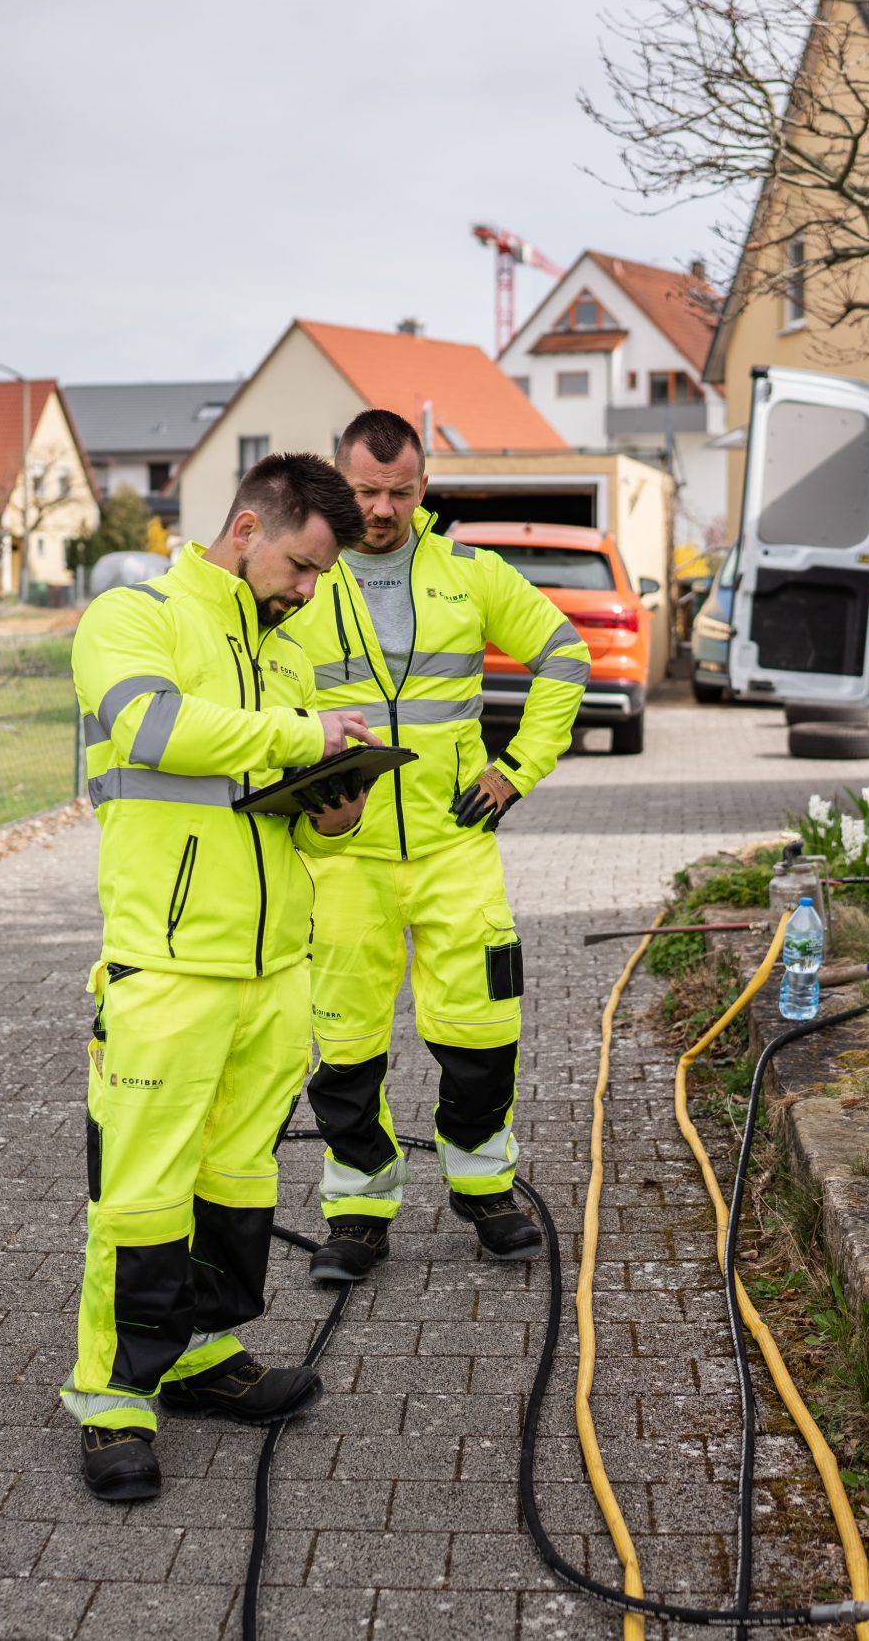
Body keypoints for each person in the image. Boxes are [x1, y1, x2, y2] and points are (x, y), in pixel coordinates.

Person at [64, 451, 373, 1503]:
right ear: (246, 529)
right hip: (166, 968)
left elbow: (274, 811)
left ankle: (194, 1359)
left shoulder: (280, 652)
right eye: (300, 565)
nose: (308, 589)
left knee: (233, 1186)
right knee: (140, 1197)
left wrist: (336, 809)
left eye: (320, 576)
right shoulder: (133, 619)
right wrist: (301, 735)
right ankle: (111, 1404)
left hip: (269, 973)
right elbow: (153, 728)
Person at [287, 408, 590, 1282]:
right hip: (340, 855)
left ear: (424, 489)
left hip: (456, 845)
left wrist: (517, 770)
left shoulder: (471, 574)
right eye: (363, 491)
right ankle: (356, 1212)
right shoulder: (302, 575)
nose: (379, 510)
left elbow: (564, 656)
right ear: (335, 484)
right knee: (343, 1048)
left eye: (398, 492)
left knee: (484, 1035)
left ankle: (485, 1192)